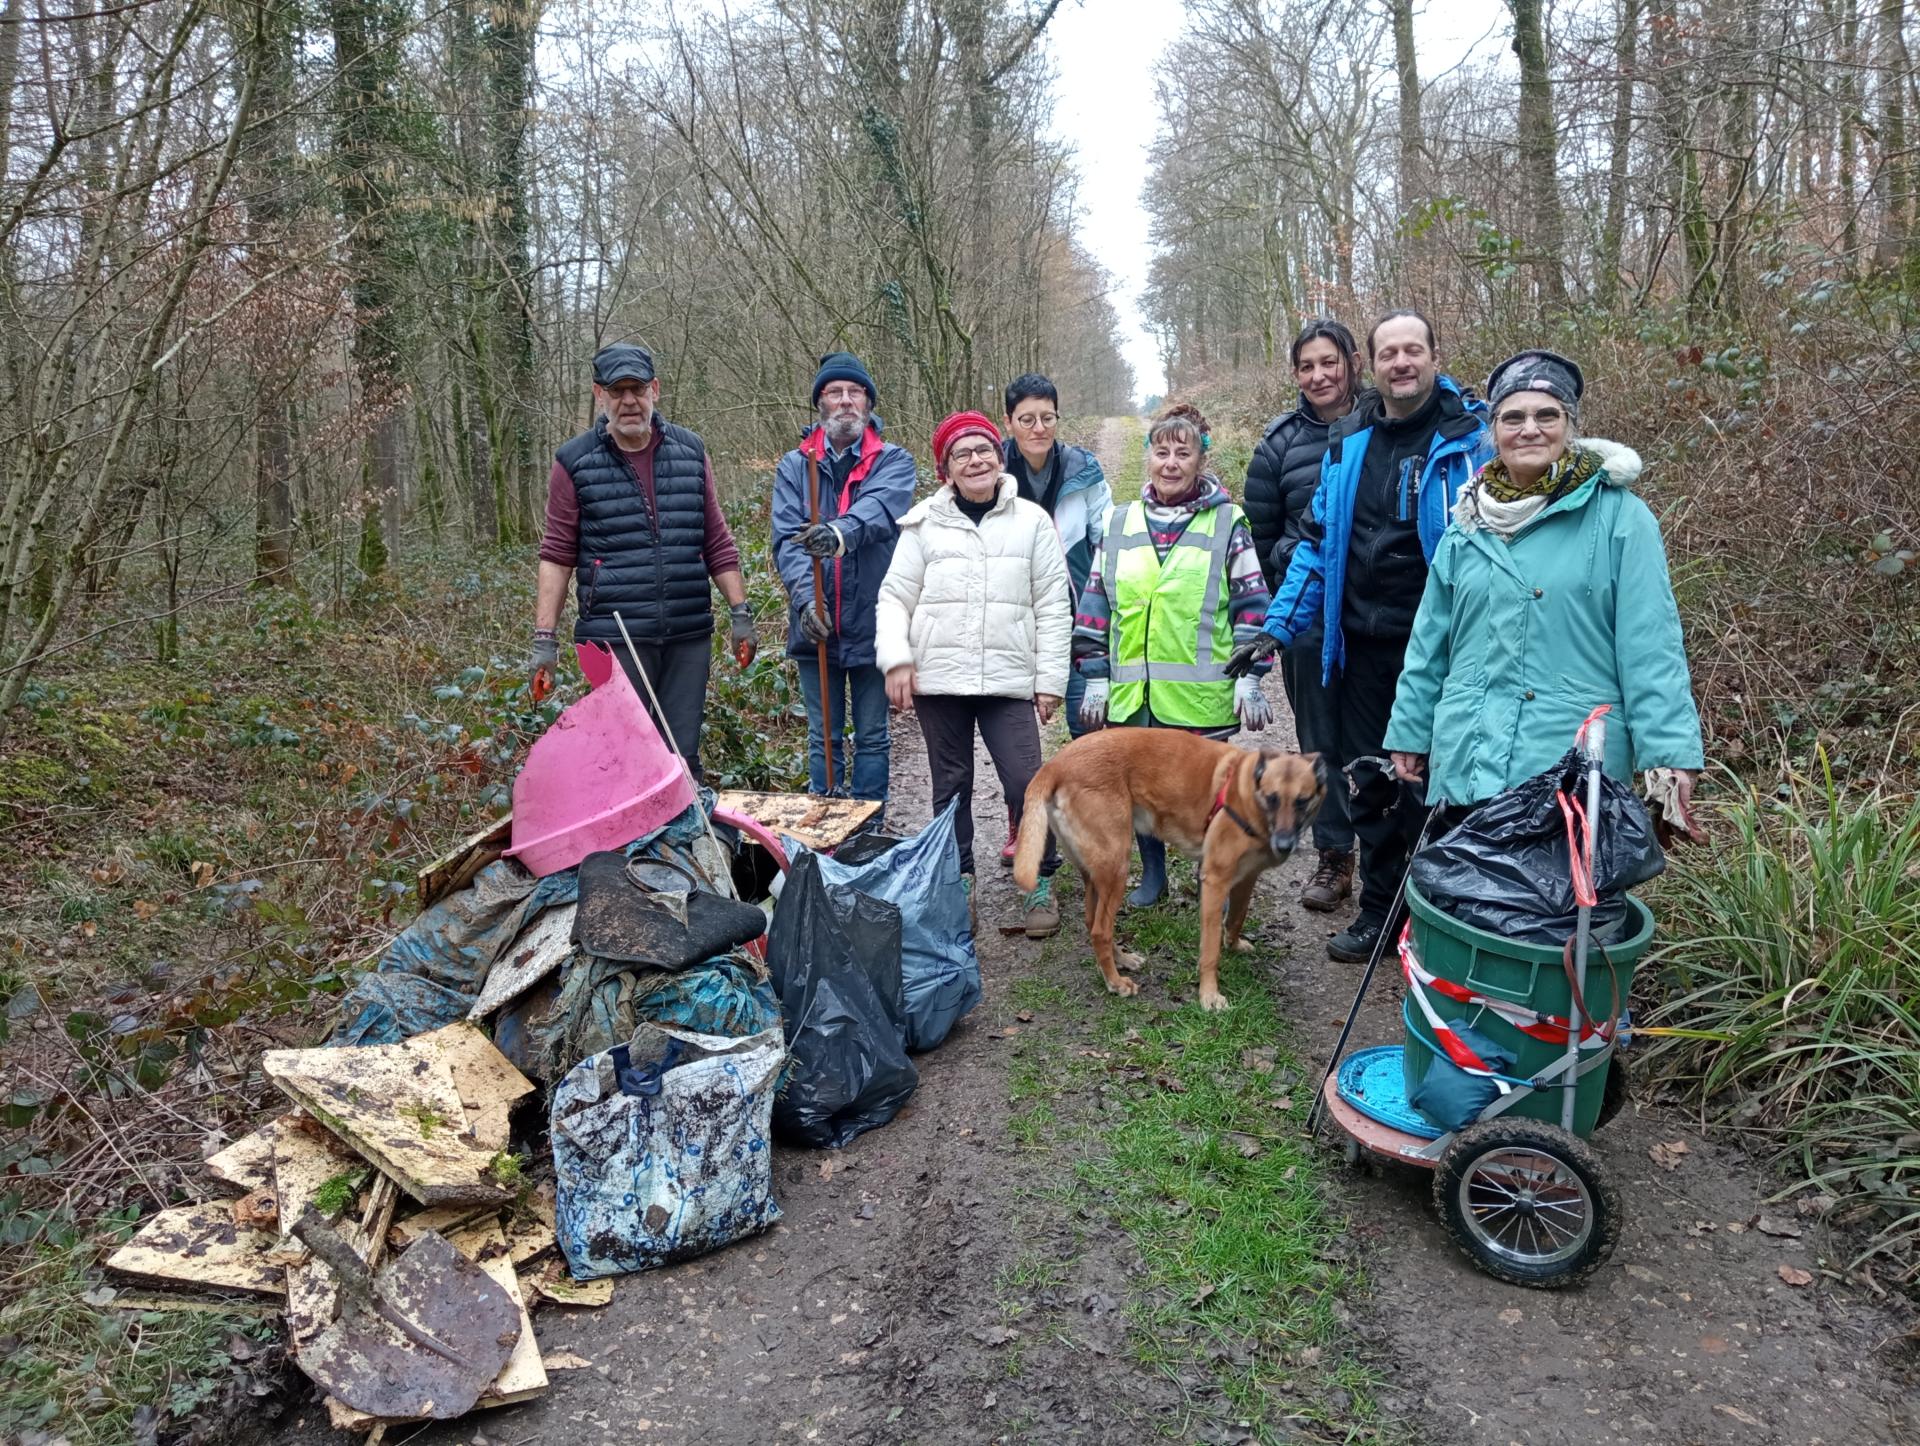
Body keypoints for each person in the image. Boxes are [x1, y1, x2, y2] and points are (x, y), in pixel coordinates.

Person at [1227, 309, 1492, 963]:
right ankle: (1380, 913)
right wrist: (1276, 629)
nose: (1402, 362)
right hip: (1361, 647)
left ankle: (1443, 925)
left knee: (1439, 790)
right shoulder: (1349, 444)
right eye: (1389, 352)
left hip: (1442, 650)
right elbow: (1317, 546)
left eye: (1413, 350)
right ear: (1372, 365)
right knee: (1373, 785)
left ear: (1434, 355)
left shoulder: (1471, 439)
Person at [1385, 349, 1704, 817]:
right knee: (1466, 889)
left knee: (1566, 892)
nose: (1529, 428)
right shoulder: (1465, 525)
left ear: (1569, 426)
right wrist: (1410, 731)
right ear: (1492, 432)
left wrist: (1669, 757)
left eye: (1546, 415)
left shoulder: (1620, 519)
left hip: (1571, 772)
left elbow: (1651, 647)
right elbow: (1429, 643)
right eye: (1512, 417)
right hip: (1467, 764)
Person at [875, 411, 1073, 936]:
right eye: (961, 454)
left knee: (1026, 783)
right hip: (940, 680)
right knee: (951, 787)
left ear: (999, 457)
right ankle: (958, 881)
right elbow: (895, 597)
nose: (975, 460)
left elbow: (1053, 603)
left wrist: (1050, 679)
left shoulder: (1032, 521)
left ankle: (1038, 878)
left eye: (983, 449)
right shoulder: (921, 524)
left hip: (1008, 677)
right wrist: (896, 658)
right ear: (946, 470)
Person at [1074, 402, 1274, 907]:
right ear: (1148, 458)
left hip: (1200, 697)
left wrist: (1251, 678)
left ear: (1199, 460)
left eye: (1182, 453)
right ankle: (1153, 876)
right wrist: (1095, 674)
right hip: (1133, 695)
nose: (1170, 463)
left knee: (1212, 794)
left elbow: (1252, 604)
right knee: (1144, 791)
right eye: (1161, 452)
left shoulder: (1230, 523)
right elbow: (1095, 602)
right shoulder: (1118, 522)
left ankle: (1220, 874)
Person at [531, 342, 756, 773]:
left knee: (680, 754)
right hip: (614, 637)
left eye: (637, 389)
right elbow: (557, 555)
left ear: (656, 389)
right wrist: (545, 641)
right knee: (625, 755)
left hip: (688, 631)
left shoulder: (691, 452)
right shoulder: (574, 462)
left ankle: (683, 839)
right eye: (617, 391)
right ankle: (627, 841)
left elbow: (716, 540)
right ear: (600, 395)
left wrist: (740, 612)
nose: (629, 401)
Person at [1242, 318, 1363, 914]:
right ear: (1295, 373)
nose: (1319, 375)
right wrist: (1285, 615)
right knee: (1321, 741)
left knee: (1391, 738)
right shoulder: (1280, 442)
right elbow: (1261, 539)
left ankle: (1401, 861)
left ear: (1350, 362)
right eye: (1307, 366)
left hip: (1376, 613)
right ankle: (1335, 857)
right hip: (1308, 617)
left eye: (1329, 362)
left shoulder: (1381, 423)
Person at [772, 352, 916, 804]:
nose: (846, 401)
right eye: (835, 393)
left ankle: (867, 828)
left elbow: (878, 511)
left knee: (873, 735)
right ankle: (826, 828)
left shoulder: (893, 462)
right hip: (816, 625)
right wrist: (805, 600)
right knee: (824, 738)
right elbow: (786, 540)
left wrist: (837, 533)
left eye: (855, 393)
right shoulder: (796, 467)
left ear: (869, 403)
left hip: (874, 620)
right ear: (820, 403)